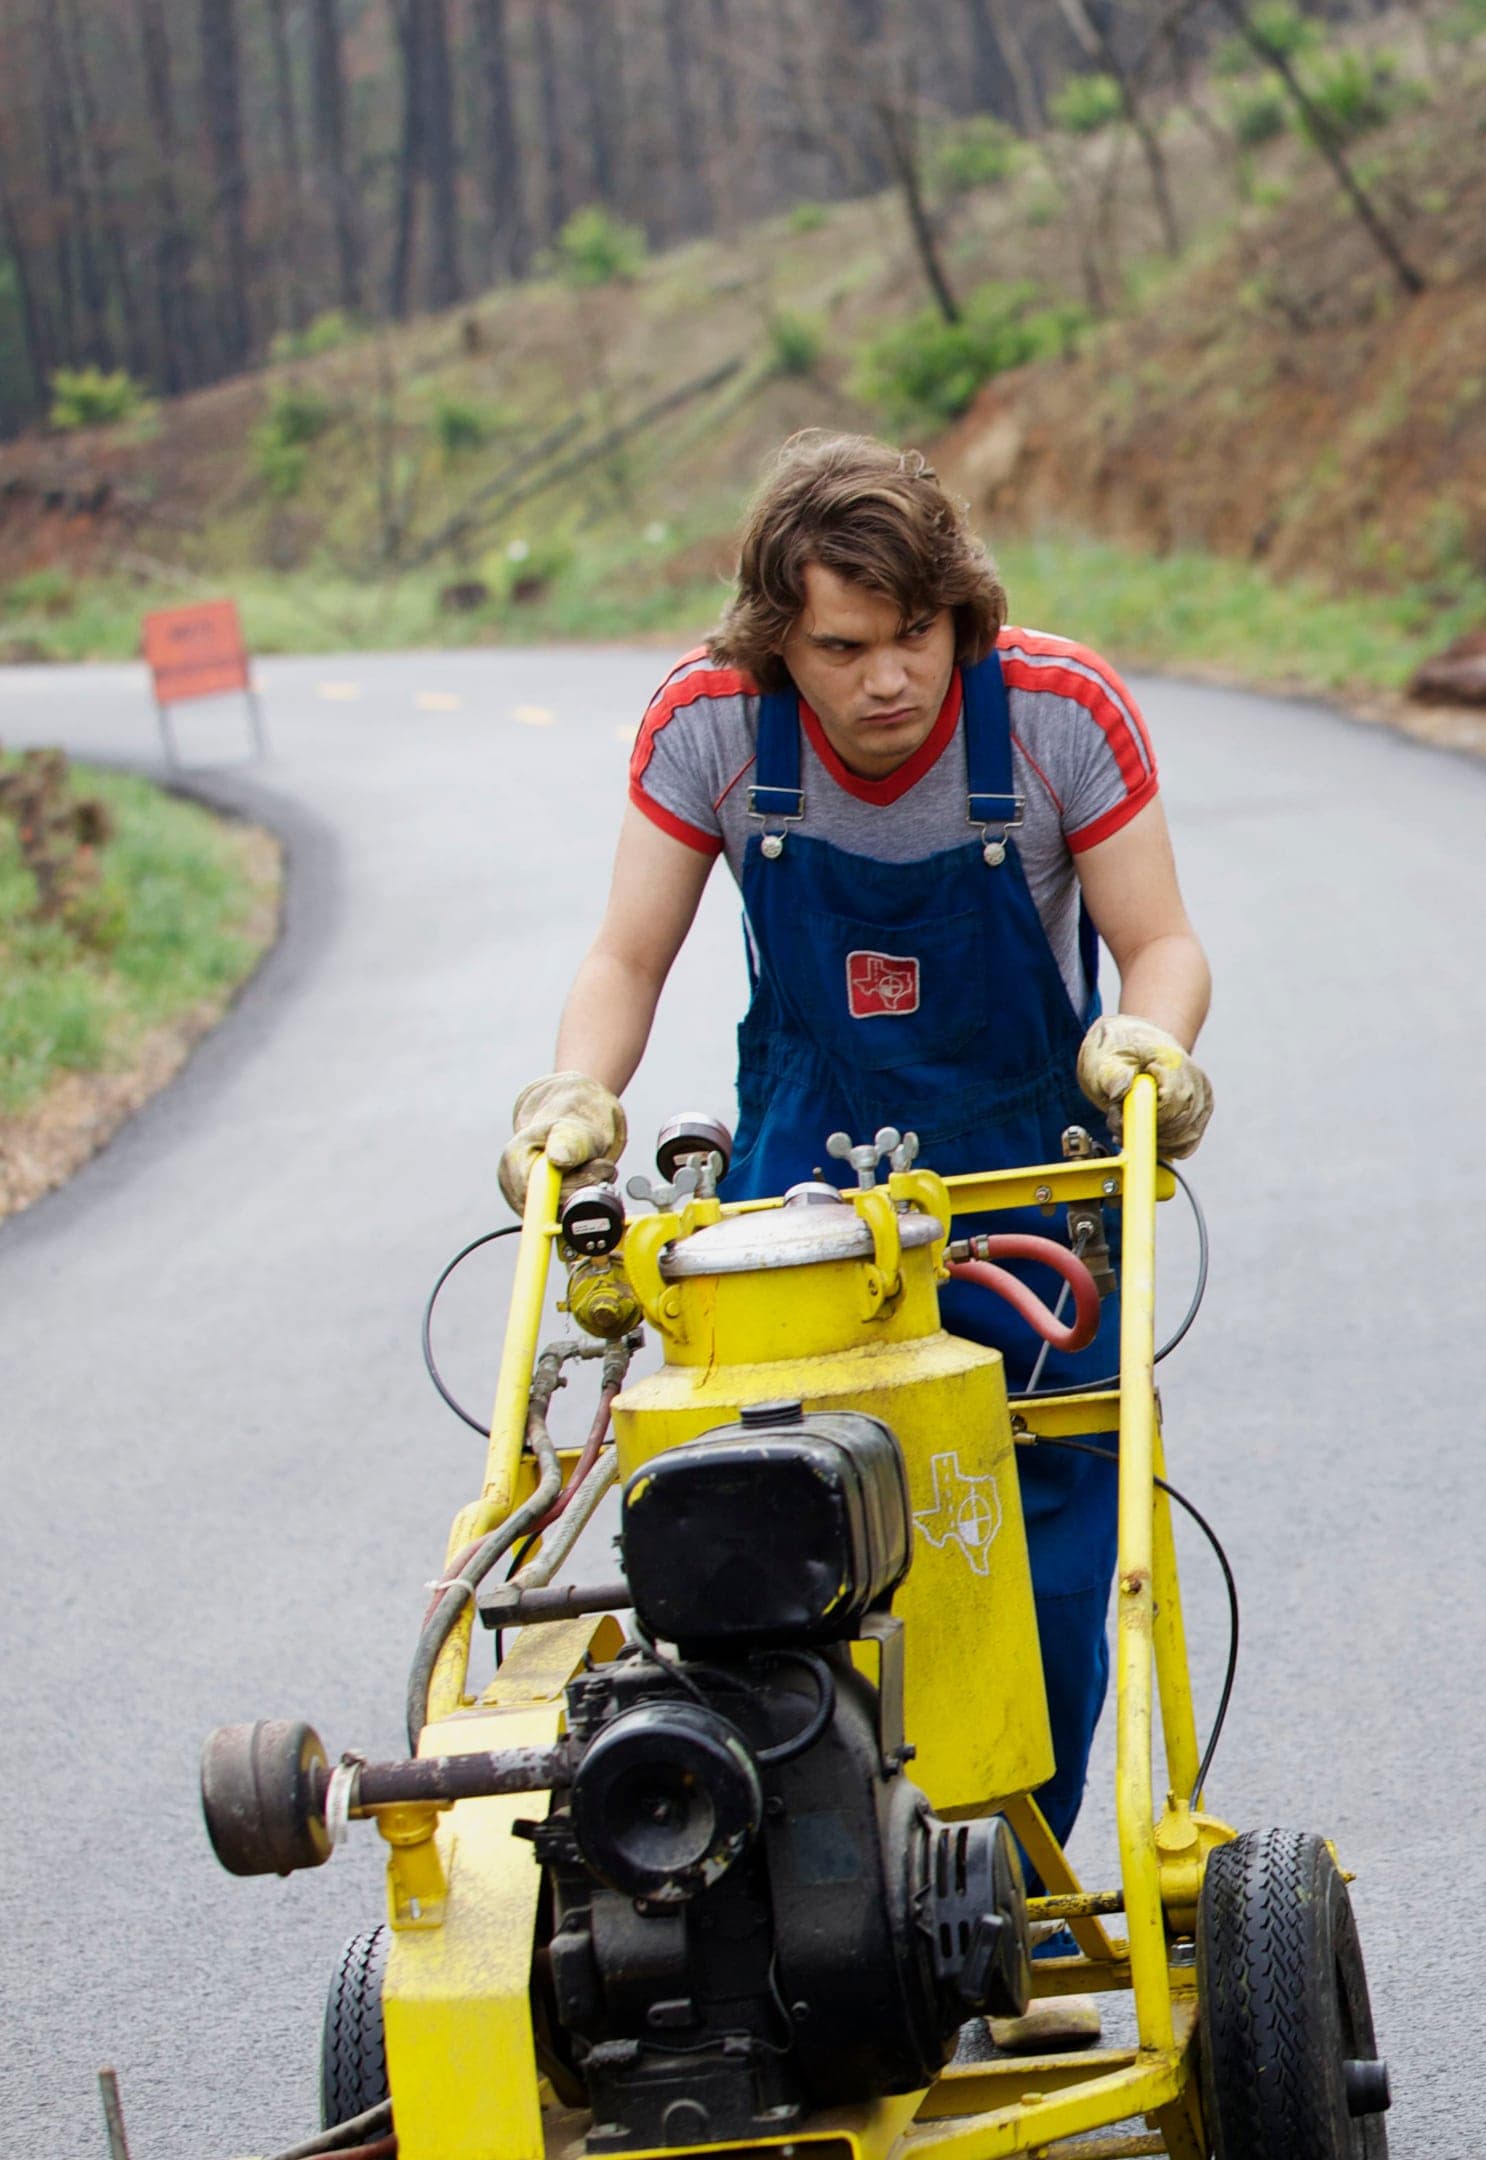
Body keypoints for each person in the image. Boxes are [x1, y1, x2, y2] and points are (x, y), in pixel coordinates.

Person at [498, 431, 1214, 2053]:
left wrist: (1147, 1052)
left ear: (960, 615)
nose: (888, 678)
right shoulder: (707, 730)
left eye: (916, 636)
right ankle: (794, 1903)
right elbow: (628, 950)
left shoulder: (1056, 716)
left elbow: (1159, 943)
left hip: (1025, 1203)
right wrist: (571, 1097)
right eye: (842, 646)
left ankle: (1009, 1904)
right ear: (775, 640)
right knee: (767, 1538)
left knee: (1028, 1556)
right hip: (797, 1215)